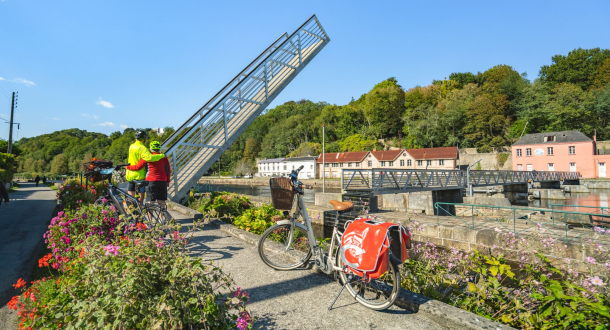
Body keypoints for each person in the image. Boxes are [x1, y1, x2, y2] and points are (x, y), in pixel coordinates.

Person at [126, 141, 171, 209]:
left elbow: (138, 167)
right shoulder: (164, 157)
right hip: (163, 181)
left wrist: (128, 167)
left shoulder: (147, 157)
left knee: (150, 201)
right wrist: (167, 181)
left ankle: (150, 218)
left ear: (150, 148)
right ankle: (162, 218)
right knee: (161, 201)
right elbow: (168, 170)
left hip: (151, 181)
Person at [125, 130, 165, 203]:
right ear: (144, 138)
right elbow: (150, 158)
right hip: (139, 176)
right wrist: (161, 155)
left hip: (130, 174)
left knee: (130, 196)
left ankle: (130, 212)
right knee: (141, 197)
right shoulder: (142, 148)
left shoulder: (131, 146)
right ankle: (140, 212)